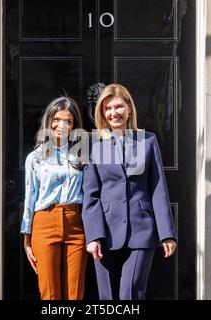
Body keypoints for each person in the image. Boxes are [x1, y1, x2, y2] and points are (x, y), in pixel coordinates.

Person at [82, 83, 177, 300]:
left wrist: (167, 233)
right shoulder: (93, 144)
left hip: (141, 228)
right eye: (107, 108)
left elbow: (158, 188)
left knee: (130, 294)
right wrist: (93, 236)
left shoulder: (147, 140)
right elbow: (91, 194)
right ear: (102, 113)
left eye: (118, 106)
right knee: (107, 297)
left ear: (129, 108)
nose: (113, 113)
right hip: (104, 231)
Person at [20, 96, 87, 300]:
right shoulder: (35, 157)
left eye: (69, 121)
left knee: (75, 293)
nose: (62, 125)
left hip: (76, 222)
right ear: (49, 121)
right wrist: (27, 238)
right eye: (57, 119)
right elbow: (30, 197)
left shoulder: (82, 156)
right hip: (44, 222)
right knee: (49, 293)